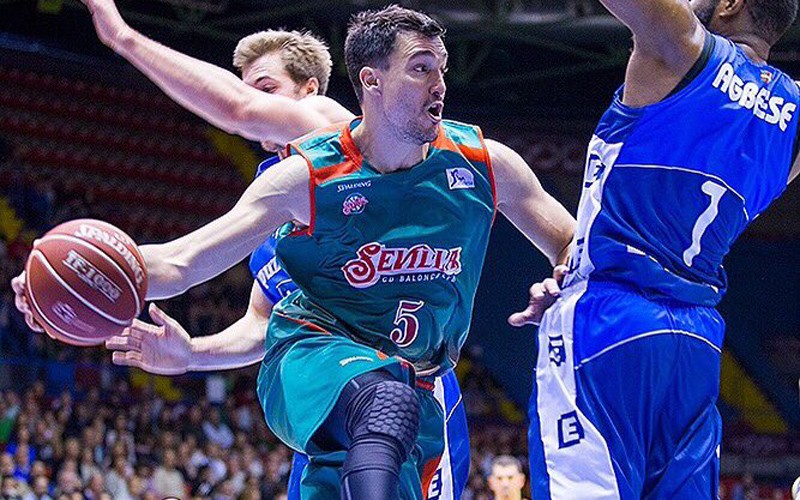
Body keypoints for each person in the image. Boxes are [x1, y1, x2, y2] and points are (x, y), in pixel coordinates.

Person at [15, 4, 576, 499]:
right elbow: (184, 266)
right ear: (372, 83)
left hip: (418, 381)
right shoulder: (297, 180)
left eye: (440, 69)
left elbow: (573, 245)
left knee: (389, 413)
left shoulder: (467, 158)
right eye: (422, 68)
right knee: (382, 404)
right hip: (316, 355)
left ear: (313, 92)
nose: (439, 85)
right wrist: (79, 276)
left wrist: (564, 282)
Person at [511, 0, 800, 498]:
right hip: (696, 340)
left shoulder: (683, 43)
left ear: (731, 3)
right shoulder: (795, 121)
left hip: (608, 318)